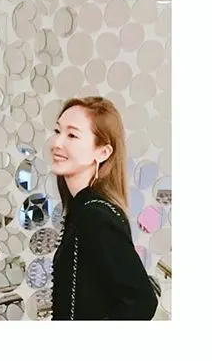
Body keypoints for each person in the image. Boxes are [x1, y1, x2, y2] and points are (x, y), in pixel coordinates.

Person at [50, 97, 158, 320]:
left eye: (72, 135)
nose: (57, 142)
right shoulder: (83, 211)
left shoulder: (94, 216)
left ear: (103, 152)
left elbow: (142, 301)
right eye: (57, 131)